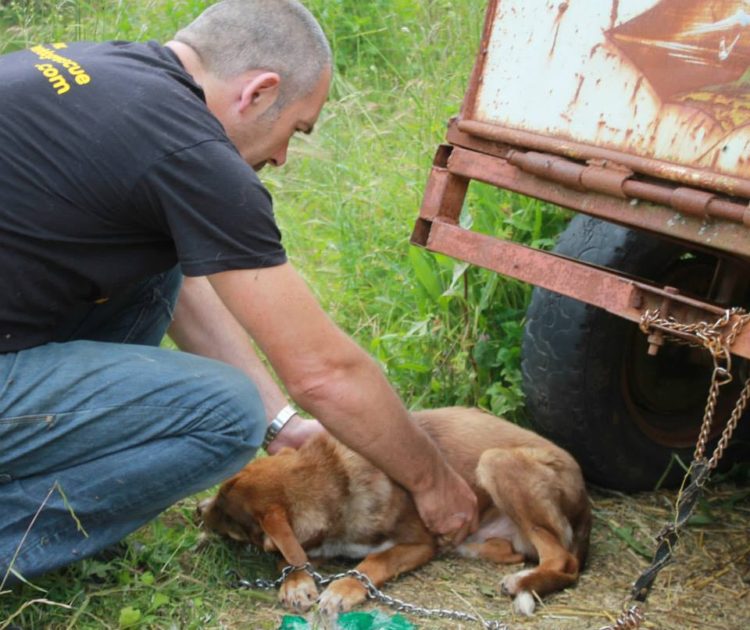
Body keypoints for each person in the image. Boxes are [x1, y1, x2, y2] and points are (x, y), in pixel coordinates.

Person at [0, 0, 478, 587]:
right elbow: (323, 372)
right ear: (258, 92)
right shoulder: (192, 154)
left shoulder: (100, 69)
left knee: (159, 268)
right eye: (294, 130)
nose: (280, 157)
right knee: (228, 416)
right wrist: (433, 481)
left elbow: (183, 288)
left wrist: (281, 425)